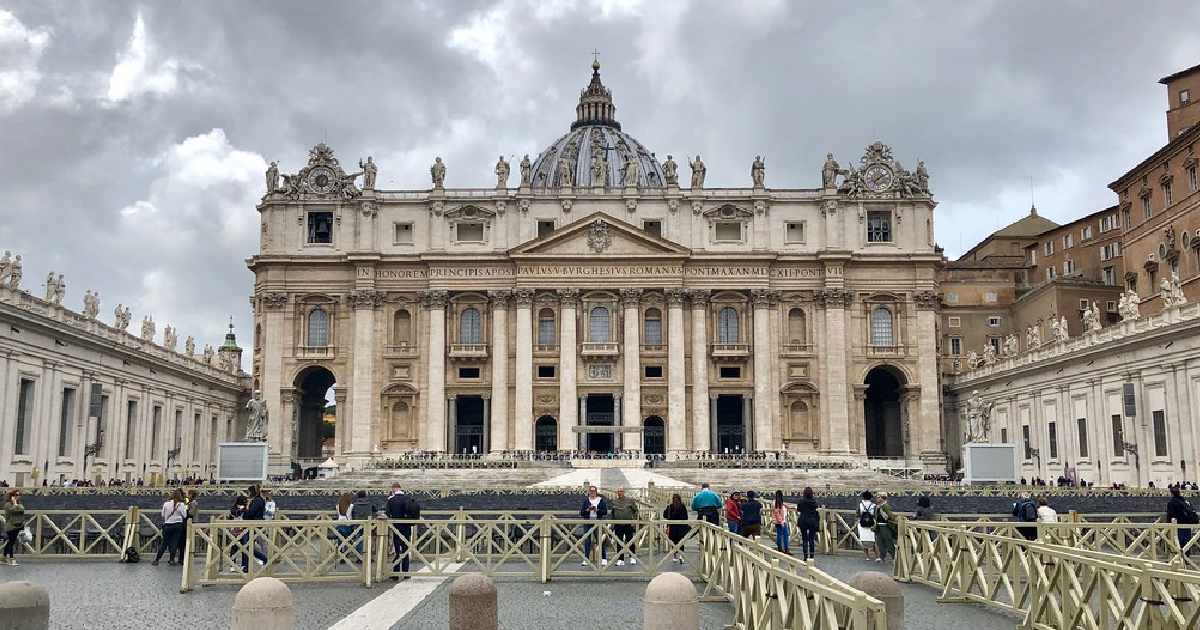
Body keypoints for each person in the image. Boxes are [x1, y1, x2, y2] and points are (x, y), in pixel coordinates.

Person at [385, 483, 421, 580]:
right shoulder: (408, 498)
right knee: (405, 550)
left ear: (394, 489)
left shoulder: (391, 500)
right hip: (406, 527)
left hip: (396, 528)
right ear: (400, 488)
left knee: (397, 551)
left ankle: (396, 574)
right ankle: (406, 573)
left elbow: (388, 513)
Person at [152, 488, 187, 566]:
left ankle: (157, 559)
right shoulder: (181, 504)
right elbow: (185, 515)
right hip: (178, 525)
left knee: (164, 543)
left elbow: (162, 515)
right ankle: (171, 560)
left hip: (167, 525)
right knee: (174, 543)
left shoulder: (166, 504)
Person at [578, 485, 608, 566]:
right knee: (587, 541)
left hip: (598, 522)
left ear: (596, 492)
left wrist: (596, 510)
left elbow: (605, 511)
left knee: (600, 540)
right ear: (589, 492)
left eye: (594, 491)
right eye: (591, 491)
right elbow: (581, 513)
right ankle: (586, 558)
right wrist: (588, 510)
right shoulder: (586, 501)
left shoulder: (600, 500)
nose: (592, 492)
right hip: (588, 522)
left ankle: (604, 558)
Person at [609, 487, 639, 566]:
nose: (620, 493)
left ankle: (632, 557)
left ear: (624, 492)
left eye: (621, 491)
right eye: (618, 491)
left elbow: (636, 511)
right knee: (619, 542)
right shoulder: (614, 502)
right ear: (617, 492)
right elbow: (612, 513)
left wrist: (634, 521)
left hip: (628, 524)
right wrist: (612, 523)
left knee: (630, 541)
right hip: (618, 524)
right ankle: (620, 559)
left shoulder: (630, 501)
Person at [1167, 486, 1200, 554]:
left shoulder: (1171, 502)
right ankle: (1187, 557)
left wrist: (1167, 525)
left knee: (1179, 543)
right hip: (1188, 524)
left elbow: (1170, 515)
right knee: (1187, 542)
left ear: (1171, 493)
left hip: (1178, 525)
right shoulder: (1185, 501)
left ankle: (1181, 558)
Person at [663, 493, 690, 564]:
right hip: (681, 527)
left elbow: (665, 515)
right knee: (681, 542)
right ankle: (681, 556)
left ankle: (675, 557)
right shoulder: (682, 506)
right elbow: (686, 517)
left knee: (673, 542)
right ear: (680, 499)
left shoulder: (670, 506)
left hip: (672, 527)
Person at [796, 487, 820, 561]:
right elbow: (816, 508)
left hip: (803, 521)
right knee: (811, 539)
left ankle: (805, 556)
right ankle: (812, 556)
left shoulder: (801, 501)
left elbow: (798, 509)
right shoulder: (814, 501)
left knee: (805, 539)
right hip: (812, 521)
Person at [873, 493, 897, 562]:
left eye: (878, 497)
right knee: (880, 542)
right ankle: (882, 556)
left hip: (885, 526)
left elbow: (890, 516)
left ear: (882, 498)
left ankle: (894, 556)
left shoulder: (885, 506)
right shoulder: (878, 506)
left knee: (888, 541)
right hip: (879, 526)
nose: (877, 499)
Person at [2, 490, 24, 566]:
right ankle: (10, 558)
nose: (18, 496)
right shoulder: (7, 504)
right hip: (10, 526)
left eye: (19, 494)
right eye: (16, 495)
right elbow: (13, 511)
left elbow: (21, 510)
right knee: (10, 542)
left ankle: (6, 557)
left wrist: (16, 505)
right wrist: (15, 504)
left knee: (11, 542)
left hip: (18, 525)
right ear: (12, 496)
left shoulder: (19, 504)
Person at [856, 491, 878, 561]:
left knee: (863, 539)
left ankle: (867, 556)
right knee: (874, 540)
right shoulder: (874, 505)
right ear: (870, 497)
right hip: (871, 523)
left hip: (862, 523)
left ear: (863, 497)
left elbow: (857, 513)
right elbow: (875, 515)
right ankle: (877, 556)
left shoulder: (860, 504)